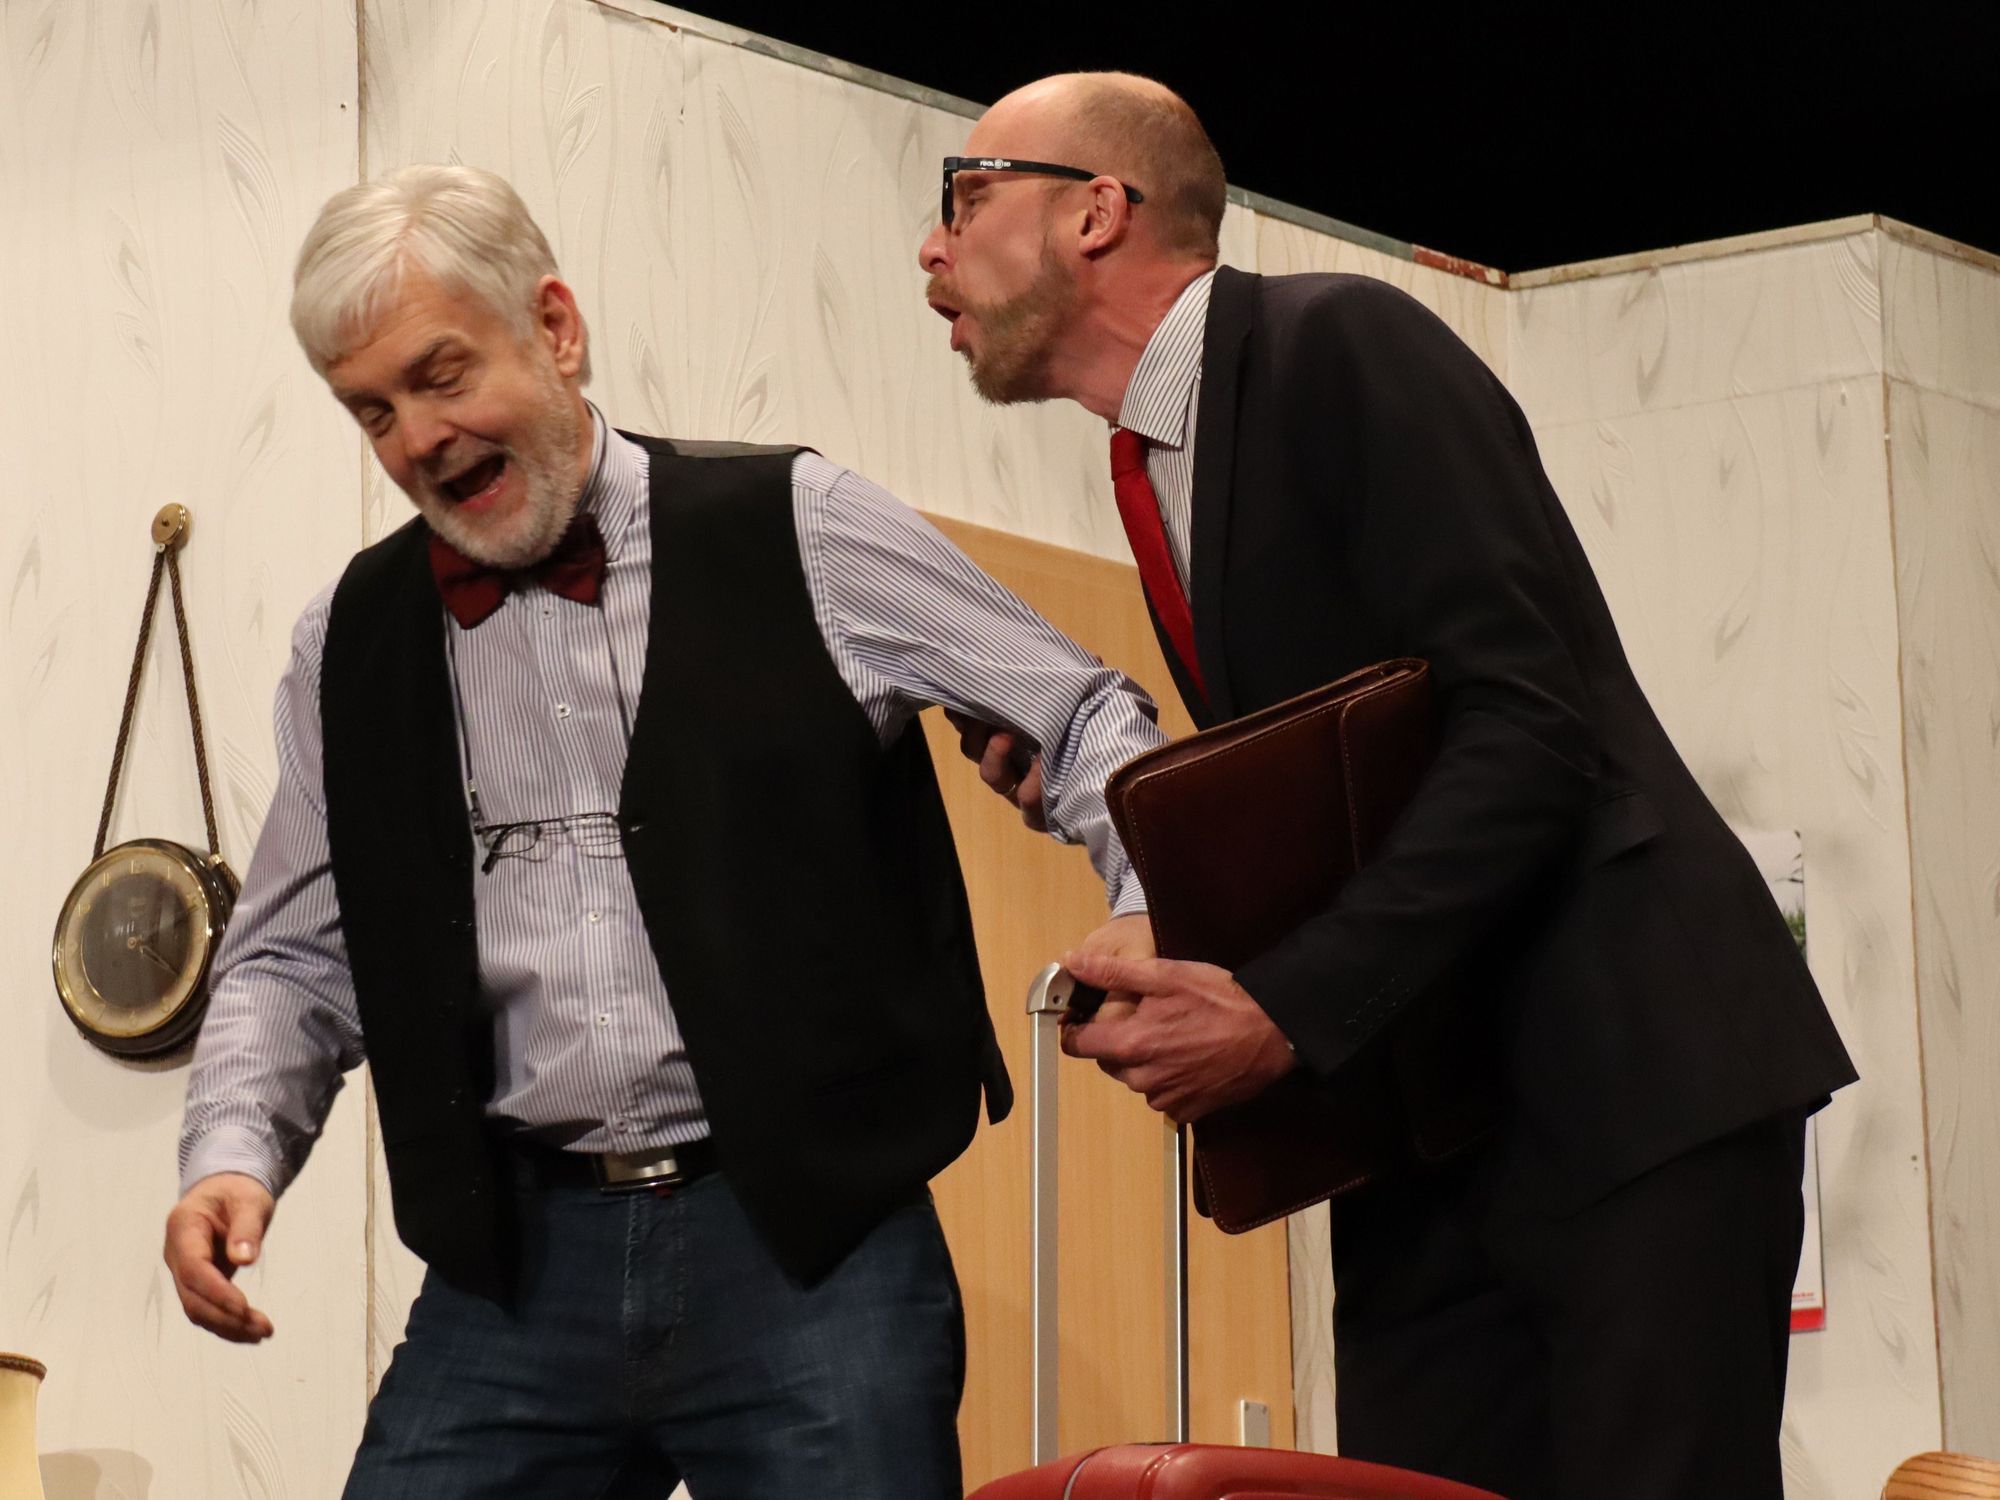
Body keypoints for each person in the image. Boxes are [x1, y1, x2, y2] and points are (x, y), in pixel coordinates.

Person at [163, 162, 1165, 1500]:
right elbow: (294, 956)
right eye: (375, 411)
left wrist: (1150, 899)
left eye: (443, 376)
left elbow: (1083, 712)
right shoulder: (346, 641)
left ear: (555, 327)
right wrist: (231, 1158)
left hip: (812, 1249)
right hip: (514, 1271)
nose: (420, 439)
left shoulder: (800, 526)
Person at [919, 73, 1858, 1500]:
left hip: (1626, 1089)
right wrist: (1123, 810)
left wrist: (1282, 1012)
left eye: (968, 194)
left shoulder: (1339, 341)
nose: (933, 246)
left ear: (1096, 212)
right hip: (1425, 1134)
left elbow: (1530, 727)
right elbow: (1367, 780)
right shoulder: (1167, 460)